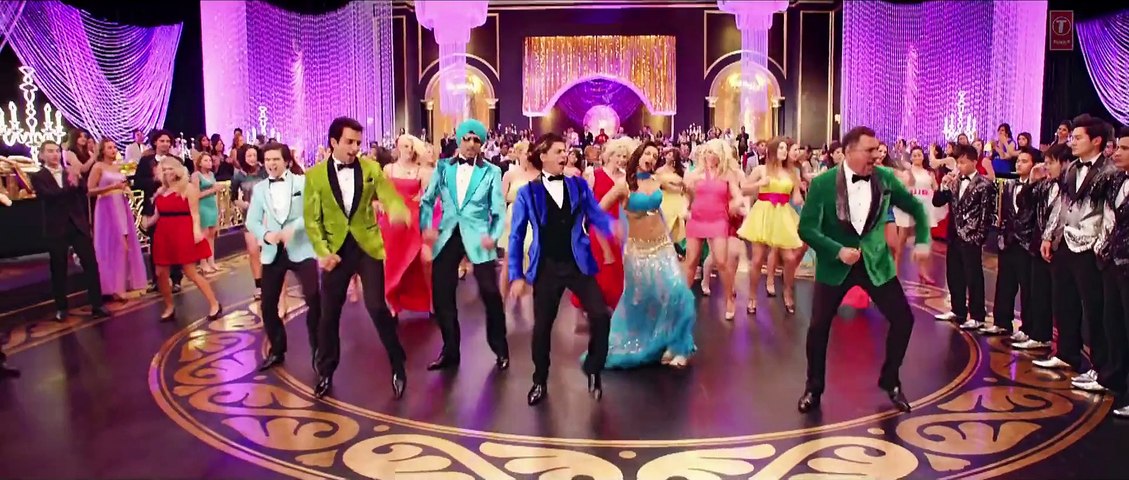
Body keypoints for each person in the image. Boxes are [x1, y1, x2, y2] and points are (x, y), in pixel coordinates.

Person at [796, 125, 932, 414]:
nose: (876, 155)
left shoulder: (885, 178)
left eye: (877, 149)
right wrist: (837, 250)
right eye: (869, 150)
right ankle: (813, 387)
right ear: (848, 151)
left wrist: (922, 240)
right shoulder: (822, 184)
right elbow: (806, 229)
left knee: (903, 320)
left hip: (876, 263)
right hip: (835, 265)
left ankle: (890, 379)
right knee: (818, 327)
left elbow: (917, 208)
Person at [304, 116, 410, 399]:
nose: (355, 148)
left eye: (358, 143)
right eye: (349, 142)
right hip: (335, 251)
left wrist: (398, 211)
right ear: (333, 142)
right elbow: (312, 221)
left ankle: (397, 363)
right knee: (329, 314)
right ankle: (326, 371)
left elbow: (390, 196)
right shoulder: (314, 176)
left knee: (376, 306)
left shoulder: (371, 168)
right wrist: (323, 252)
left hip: (367, 247)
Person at [508, 132, 617, 405]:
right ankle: (539, 380)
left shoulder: (578, 185)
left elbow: (596, 214)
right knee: (542, 327)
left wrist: (612, 228)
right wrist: (516, 275)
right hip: (546, 266)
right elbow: (516, 236)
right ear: (542, 155)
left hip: (577, 262)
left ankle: (593, 367)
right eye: (558, 151)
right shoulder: (527, 193)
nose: (564, 155)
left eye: (565, 151)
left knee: (600, 316)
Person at [420, 119, 509, 372]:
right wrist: (426, 226)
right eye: (467, 139)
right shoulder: (442, 168)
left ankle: (500, 348)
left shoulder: (492, 171)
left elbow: (498, 209)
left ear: (482, 144)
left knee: (490, 293)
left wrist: (493, 235)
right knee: (441, 294)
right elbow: (427, 201)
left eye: (476, 140)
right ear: (459, 140)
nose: (471, 144)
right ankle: (450, 351)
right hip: (447, 234)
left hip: (479, 235)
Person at [597, 141, 696, 368]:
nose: (651, 157)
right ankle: (653, 342)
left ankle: (678, 345)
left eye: (655, 155)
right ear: (638, 156)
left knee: (676, 292)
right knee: (643, 299)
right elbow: (597, 211)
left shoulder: (657, 179)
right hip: (637, 251)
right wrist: (612, 226)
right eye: (647, 153)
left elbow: (687, 189)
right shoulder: (623, 185)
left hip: (663, 246)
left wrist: (688, 200)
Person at [1036, 115, 1113, 381]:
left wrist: (1101, 247)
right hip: (1065, 243)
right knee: (1064, 301)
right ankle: (1066, 353)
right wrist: (1049, 236)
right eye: (1072, 137)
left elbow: (1109, 215)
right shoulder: (1070, 169)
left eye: (1078, 138)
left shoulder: (1109, 173)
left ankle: (1100, 368)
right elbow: (1062, 205)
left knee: (1094, 309)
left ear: (1097, 140)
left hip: (1092, 247)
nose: (1072, 142)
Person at [246, 143, 321, 372]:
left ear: (287, 161)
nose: (271, 163)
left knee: (314, 298)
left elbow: (312, 212)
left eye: (276, 159)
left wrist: (293, 229)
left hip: (301, 248)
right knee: (268, 304)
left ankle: (318, 349)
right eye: (267, 159)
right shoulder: (260, 189)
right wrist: (266, 235)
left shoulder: (302, 182)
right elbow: (252, 221)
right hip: (273, 251)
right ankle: (277, 349)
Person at [29, 140, 110, 322]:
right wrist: (70, 186)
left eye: (57, 151)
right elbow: (48, 196)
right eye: (50, 151)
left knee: (90, 263)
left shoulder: (69, 172)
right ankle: (61, 307)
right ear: (42, 155)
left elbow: (84, 191)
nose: (55, 154)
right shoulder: (38, 176)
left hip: (77, 224)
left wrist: (78, 179)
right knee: (59, 268)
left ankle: (97, 304)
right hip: (56, 227)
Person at [145, 158, 223, 322]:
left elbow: (195, 213)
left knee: (190, 272)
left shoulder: (188, 188)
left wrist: (196, 231)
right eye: (164, 169)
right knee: (160, 273)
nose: (167, 172)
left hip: (183, 230)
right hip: (163, 233)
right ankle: (169, 306)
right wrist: (145, 223)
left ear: (178, 170)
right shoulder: (160, 191)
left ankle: (214, 303)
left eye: (170, 168)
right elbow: (157, 215)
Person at [931, 144, 998, 330]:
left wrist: (978, 237)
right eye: (958, 163)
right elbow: (937, 202)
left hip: (972, 238)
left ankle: (977, 316)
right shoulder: (954, 182)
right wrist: (943, 185)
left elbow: (987, 214)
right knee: (954, 275)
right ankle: (957, 310)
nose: (959, 166)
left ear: (974, 162)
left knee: (973, 277)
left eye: (963, 162)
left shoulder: (984, 185)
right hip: (953, 236)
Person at [983, 147, 1039, 336]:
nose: (1019, 164)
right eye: (1018, 161)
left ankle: (1027, 328)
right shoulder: (1008, 185)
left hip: (1027, 243)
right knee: (1004, 283)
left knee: (1028, 288)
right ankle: (1001, 322)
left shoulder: (1039, 188)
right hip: (1008, 241)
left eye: (1024, 161)